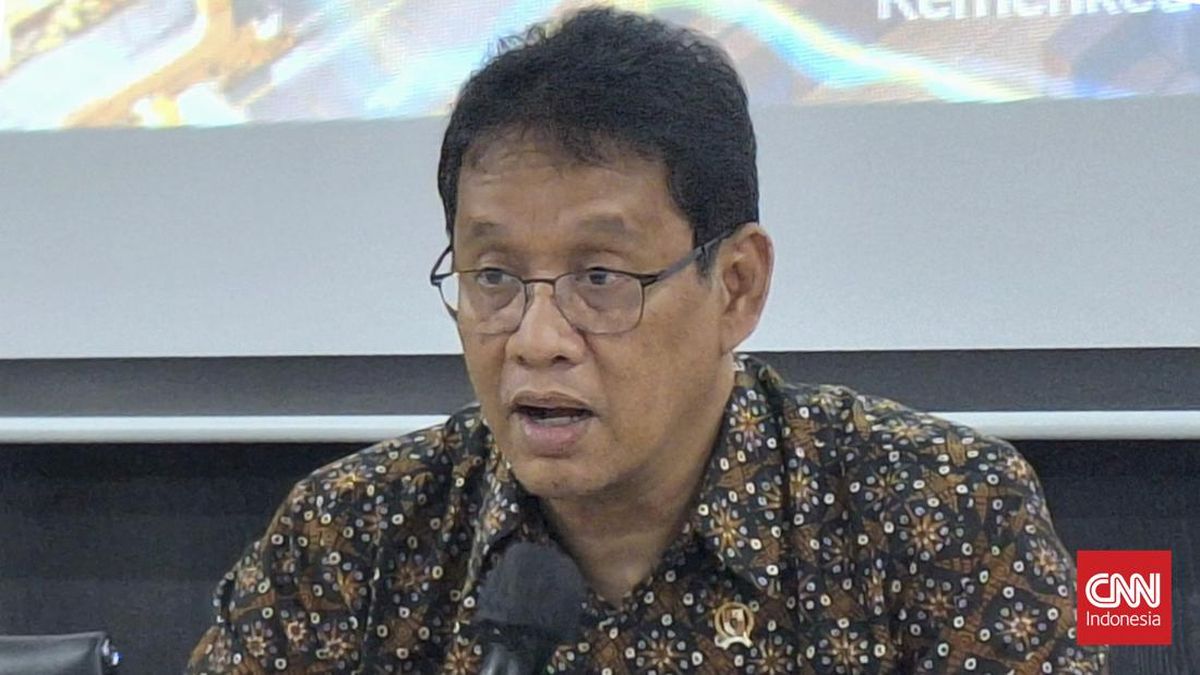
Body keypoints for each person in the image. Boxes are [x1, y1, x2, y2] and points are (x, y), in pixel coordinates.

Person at [187, 8, 1107, 673]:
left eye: (600, 277)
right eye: (493, 276)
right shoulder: (353, 537)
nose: (536, 339)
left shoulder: (936, 513)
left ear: (736, 286)